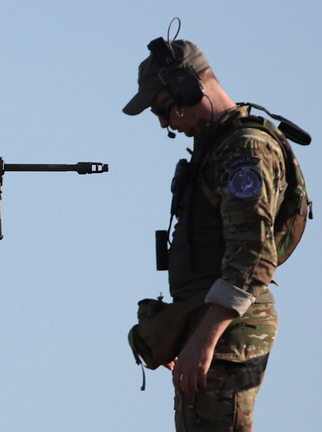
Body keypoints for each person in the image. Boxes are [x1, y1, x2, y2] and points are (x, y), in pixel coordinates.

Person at [123, 37, 308, 431]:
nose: (164, 123)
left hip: (226, 334)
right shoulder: (218, 147)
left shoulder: (245, 150)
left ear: (188, 88)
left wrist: (204, 341)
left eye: (162, 109)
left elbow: (253, 255)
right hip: (212, 327)